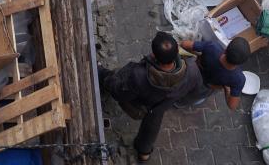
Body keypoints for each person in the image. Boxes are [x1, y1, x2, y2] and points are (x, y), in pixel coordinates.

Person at [97, 32, 202, 162]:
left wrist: (110, 82)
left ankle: (101, 73)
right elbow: (195, 88)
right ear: (176, 53)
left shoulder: (139, 76)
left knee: (114, 79)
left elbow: (120, 93)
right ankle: (143, 153)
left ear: (154, 56)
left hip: (140, 106)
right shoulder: (192, 69)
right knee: (152, 124)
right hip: (162, 105)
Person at [179, 37, 250, 110]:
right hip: (205, 86)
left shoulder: (212, 47)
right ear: (241, 63)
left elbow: (184, 44)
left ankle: (177, 95)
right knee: (193, 96)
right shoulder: (239, 79)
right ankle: (179, 103)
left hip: (192, 72)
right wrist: (226, 88)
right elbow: (232, 106)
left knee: (182, 85)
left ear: (226, 48)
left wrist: (198, 54)